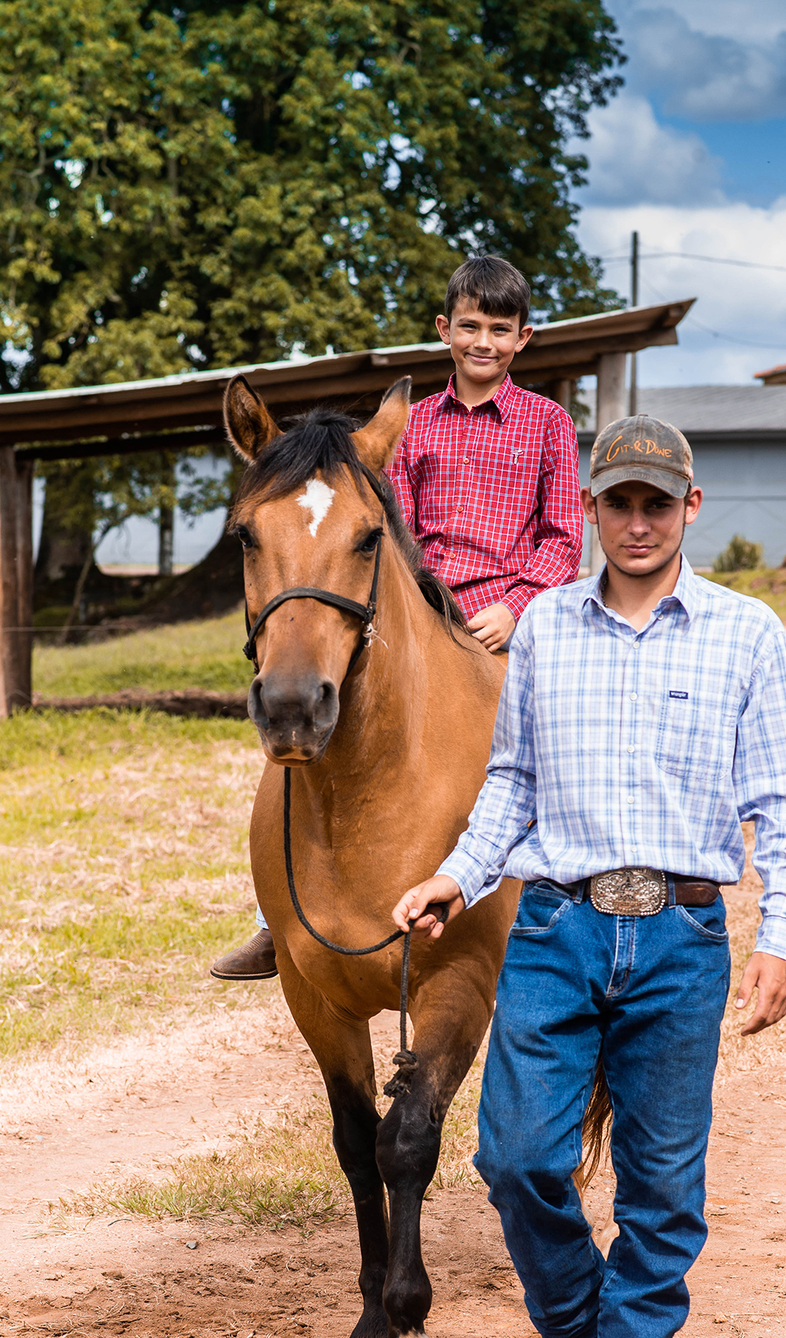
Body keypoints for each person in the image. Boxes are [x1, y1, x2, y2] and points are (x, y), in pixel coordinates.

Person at [390, 414, 786, 1338]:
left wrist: (780, 934)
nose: (637, 521)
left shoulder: (745, 633)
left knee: (663, 1193)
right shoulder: (544, 630)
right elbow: (513, 782)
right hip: (556, 926)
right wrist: (462, 873)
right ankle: (572, 1329)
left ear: (690, 509)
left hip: (682, 936)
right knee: (517, 1157)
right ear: (590, 512)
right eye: (617, 502)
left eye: (656, 502)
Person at [212, 254, 583, 981]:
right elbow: (391, 527)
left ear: (523, 338)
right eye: (470, 326)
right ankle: (277, 917)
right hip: (422, 607)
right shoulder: (406, 430)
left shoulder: (548, 424)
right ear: (445, 330)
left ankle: (564, 901)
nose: (484, 342)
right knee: (328, 715)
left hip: (511, 618)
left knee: (564, 732)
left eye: (500, 330)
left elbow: (564, 537)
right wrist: (416, 604)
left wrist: (514, 607)